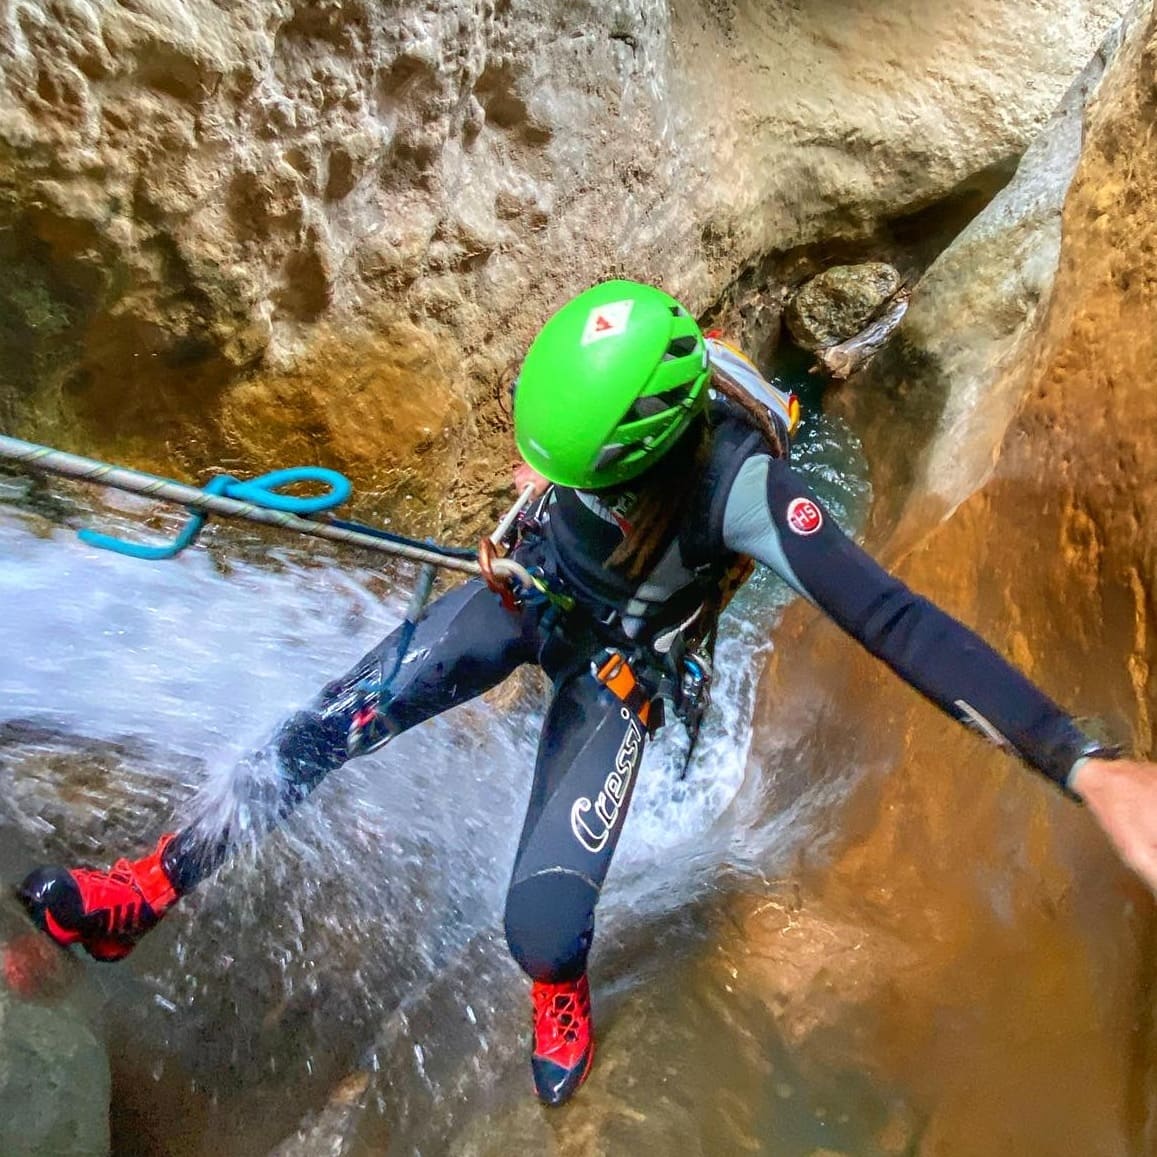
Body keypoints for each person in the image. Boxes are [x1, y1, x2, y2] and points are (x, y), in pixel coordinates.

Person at [14, 280, 1157, 1108]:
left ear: (654, 451)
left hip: (621, 664)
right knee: (325, 723)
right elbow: (566, 441)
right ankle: (147, 888)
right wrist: (540, 484)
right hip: (528, 590)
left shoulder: (743, 486)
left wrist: (1078, 759)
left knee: (541, 923)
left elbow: (896, 622)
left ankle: (556, 985)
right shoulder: (625, 352)